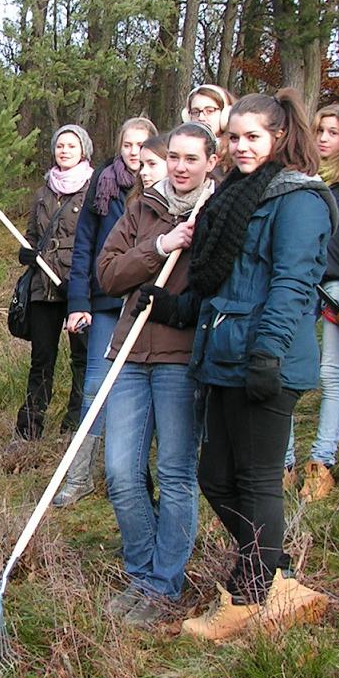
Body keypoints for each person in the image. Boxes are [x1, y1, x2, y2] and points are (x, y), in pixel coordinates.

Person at [143, 89, 337, 640]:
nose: (242, 146)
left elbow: (292, 284)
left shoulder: (297, 198)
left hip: (264, 361)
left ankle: (251, 595)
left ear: (278, 137)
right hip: (222, 355)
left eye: (254, 136)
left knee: (255, 480)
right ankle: (276, 580)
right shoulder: (235, 192)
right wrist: (179, 308)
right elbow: (223, 281)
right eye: (234, 137)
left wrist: (267, 353)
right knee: (214, 476)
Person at [94, 122, 219, 625]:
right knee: (122, 473)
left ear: (211, 162)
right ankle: (142, 572)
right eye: (176, 158)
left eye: (193, 158)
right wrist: (161, 246)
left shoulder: (218, 212)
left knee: (174, 473)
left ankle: (164, 585)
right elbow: (108, 274)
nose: (183, 167)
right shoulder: (142, 207)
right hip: (127, 353)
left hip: (180, 360)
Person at [56, 117, 158, 507]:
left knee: (143, 390)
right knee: (94, 387)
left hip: (147, 306)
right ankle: (79, 476)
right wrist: (79, 303)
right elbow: (83, 247)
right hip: (104, 302)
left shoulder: (162, 186)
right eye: (128, 145)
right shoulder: (103, 185)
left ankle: (137, 476)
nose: (134, 152)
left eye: (142, 145)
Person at [283, 104, 339, 502]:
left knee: (332, 372)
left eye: (332, 132)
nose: (323, 138)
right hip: (300, 285)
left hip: (338, 288)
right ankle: (283, 463)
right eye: (319, 130)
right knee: (284, 369)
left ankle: (322, 463)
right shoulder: (302, 180)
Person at [15, 125, 94, 441]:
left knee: (82, 358)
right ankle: (30, 428)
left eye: (71, 146)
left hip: (77, 287)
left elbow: (91, 239)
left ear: (83, 151)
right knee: (42, 358)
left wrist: (76, 286)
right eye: (60, 146)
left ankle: (75, 423)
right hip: (43, 289)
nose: (64, 151)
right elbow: (33, 233)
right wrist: (27, 251)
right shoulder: (43, 192)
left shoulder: (92, 188)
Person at [183, 84, 237, 178]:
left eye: (210, 111)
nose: (201, 118)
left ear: (226, 115)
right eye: (195, 112)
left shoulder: (237, 152)